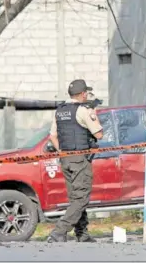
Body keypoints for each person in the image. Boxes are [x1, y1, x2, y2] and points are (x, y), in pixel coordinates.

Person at [47, 79, 103, 243]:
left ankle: (82, 234)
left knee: (75, 198)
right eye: (87, 93)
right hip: (79, 159)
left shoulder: (60, 110)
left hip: (65, 159)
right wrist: (94, 114)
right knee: (81, 198)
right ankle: (59, 231)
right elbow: (99, 134)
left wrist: (62, 152)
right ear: (83, 94)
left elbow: (53, 136)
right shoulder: (84, 110)